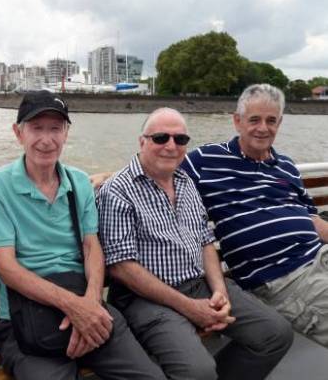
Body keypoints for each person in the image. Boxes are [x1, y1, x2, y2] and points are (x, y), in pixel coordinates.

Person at [0, 90, 166, 380]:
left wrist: (91, 303)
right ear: (18, 133)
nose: (46, 139)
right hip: (22, 317)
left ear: (66, 133)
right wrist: (74, 307)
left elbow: (91, 246)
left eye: (55, 128)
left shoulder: (78, 183)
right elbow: (7, 267)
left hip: (85, 300)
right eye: (36, 128)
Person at [96, 107, 293, 380]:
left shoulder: (186, 182)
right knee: (198, 371)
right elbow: (122, 268)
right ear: (142, 141)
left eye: (180, 140)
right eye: (160, 138)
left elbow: (205, 241)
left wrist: (220, 292)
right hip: (145, 298)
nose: (171, 146)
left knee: (275, 334)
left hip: (199, 285)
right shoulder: (118, 190)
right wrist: (190, 308)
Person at [180, 83, 328, 346]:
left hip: (319, 258)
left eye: (271, 120)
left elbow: (311, 217)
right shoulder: (205, 161)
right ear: (237, 122)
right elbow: (156, 167)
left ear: (280, 123)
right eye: (254, 120)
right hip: (286, 279)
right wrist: (103, 178)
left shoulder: (286, 165)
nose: (263, 128)